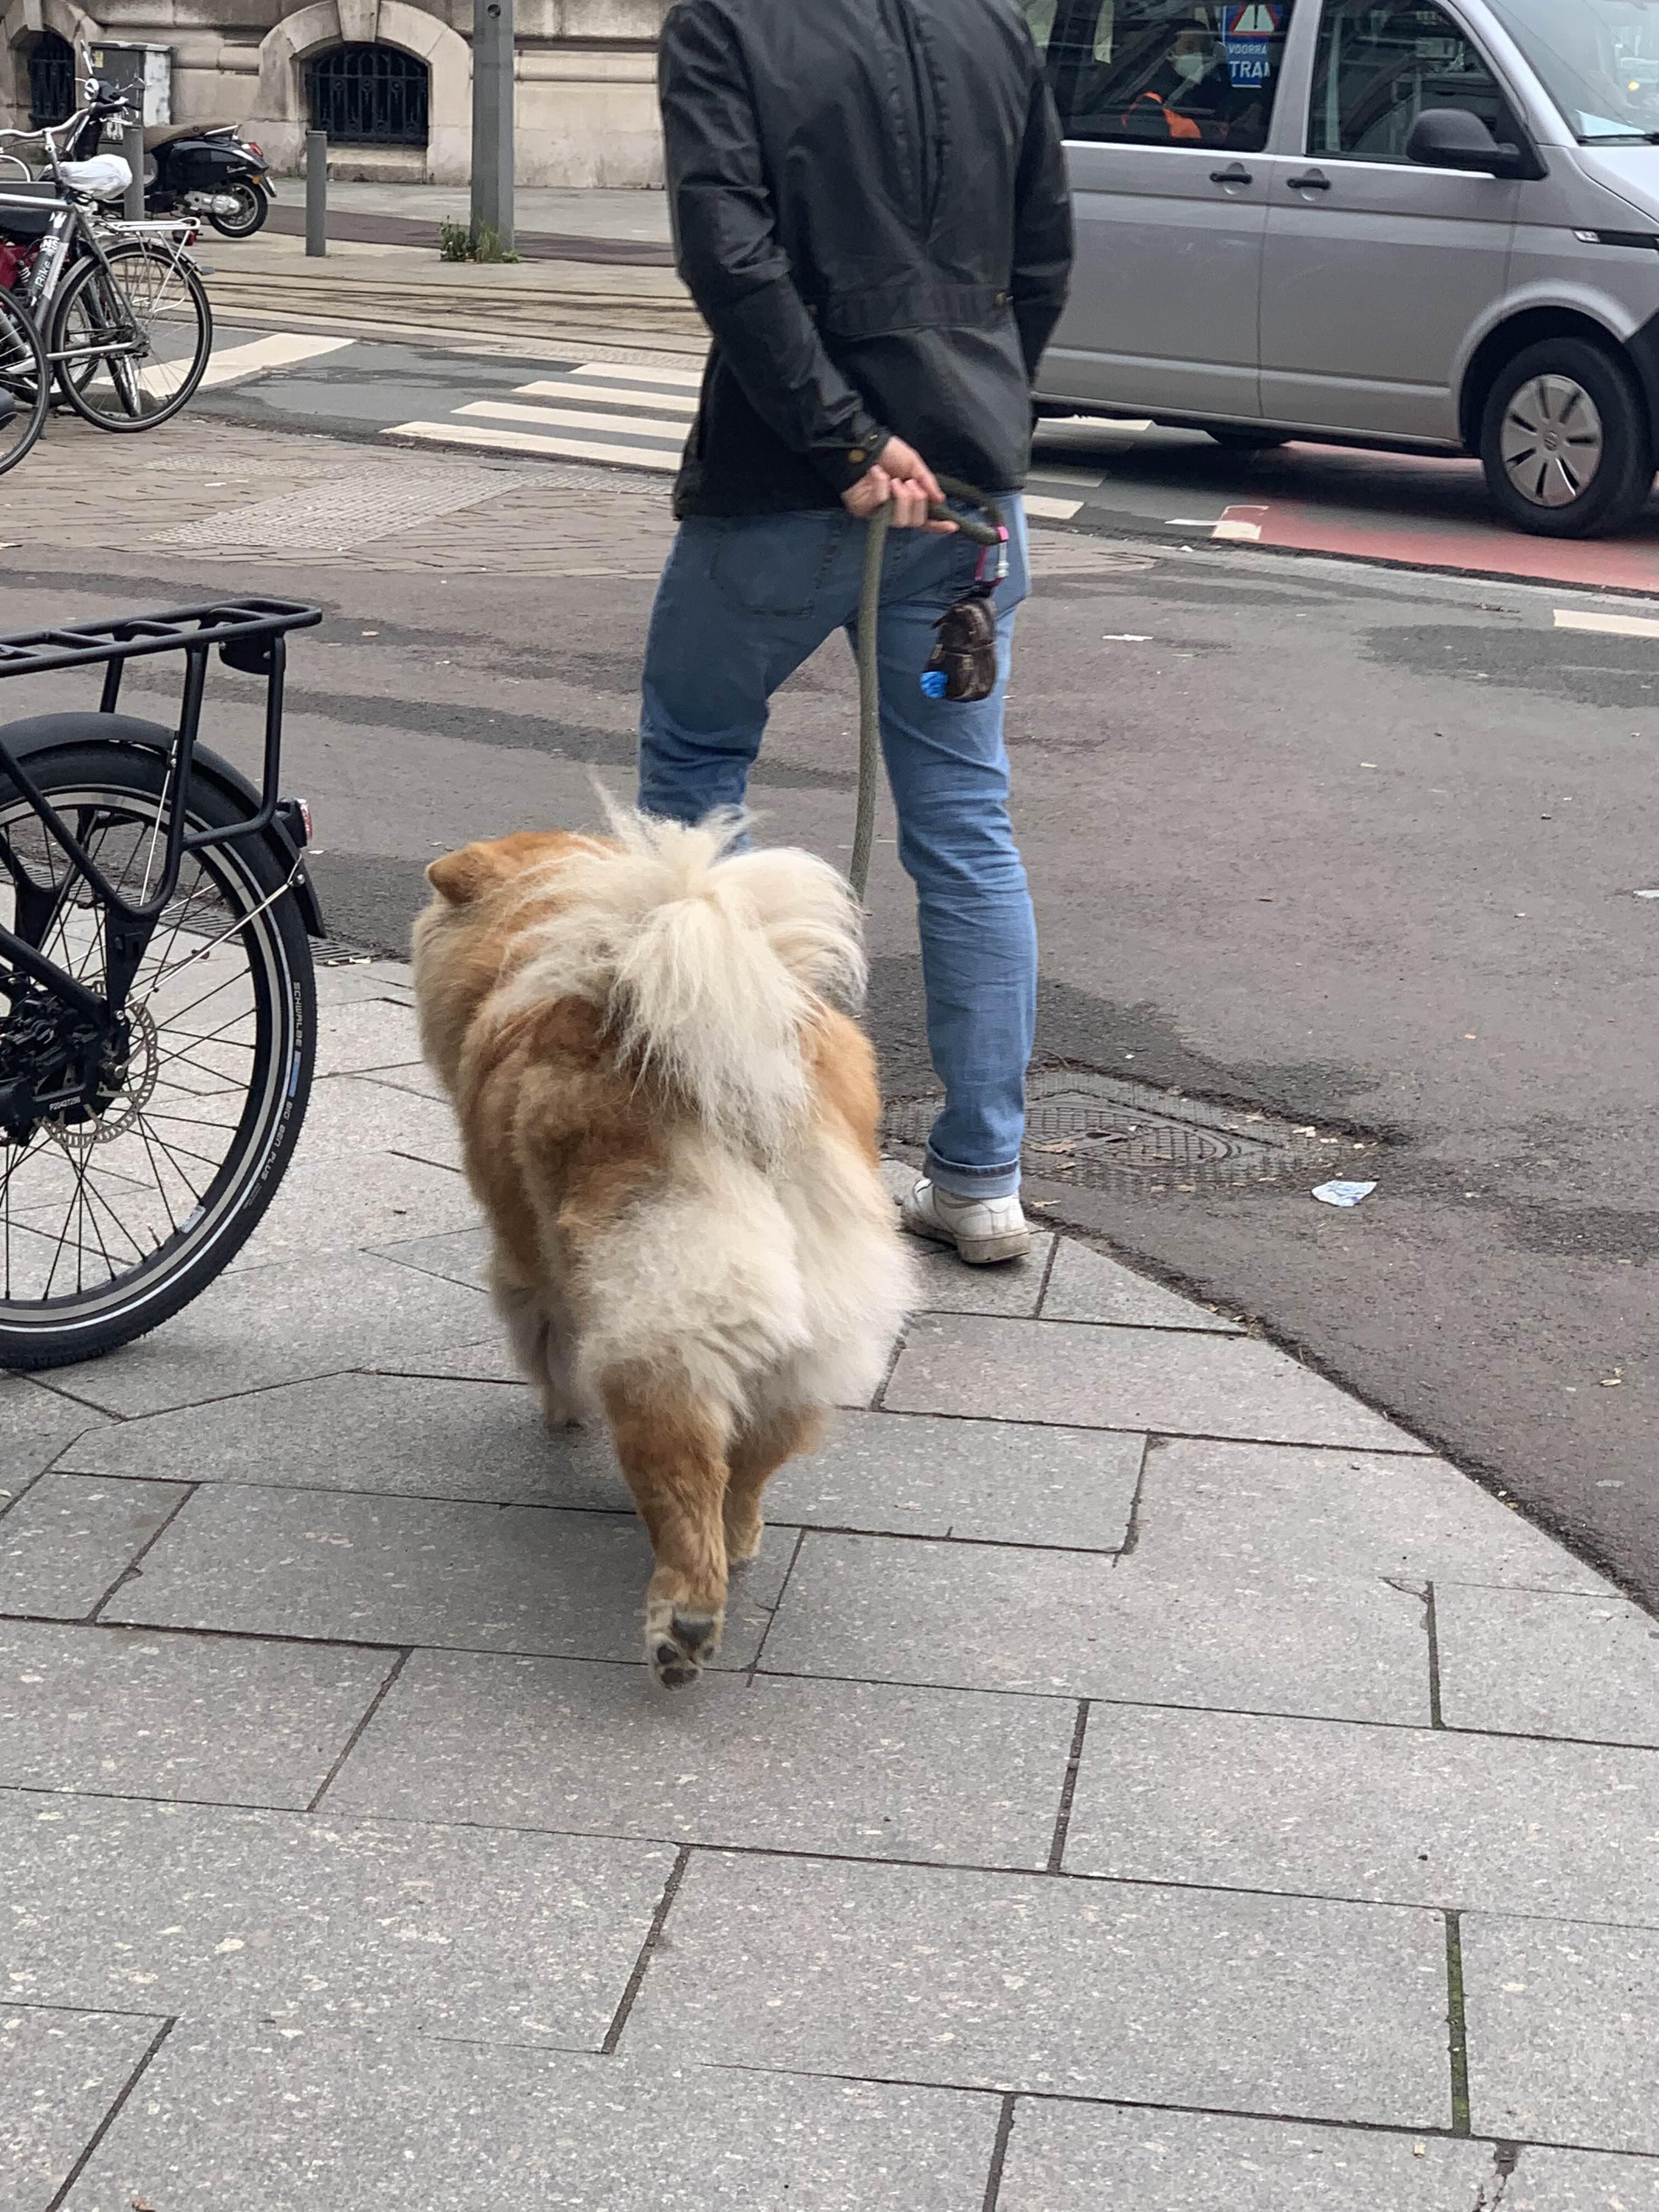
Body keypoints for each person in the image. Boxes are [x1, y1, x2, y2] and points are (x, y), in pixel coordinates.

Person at [638, 0, 1073, 1267]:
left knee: (695, 777)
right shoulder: (995, 27)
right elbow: (1044, 256)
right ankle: (981, 1178)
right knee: (965, 820)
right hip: (963, 496)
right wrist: (967, 411)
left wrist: (845, 438)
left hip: (782, 485)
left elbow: (728, 248)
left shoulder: (726, 24)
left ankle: (728, 1146)